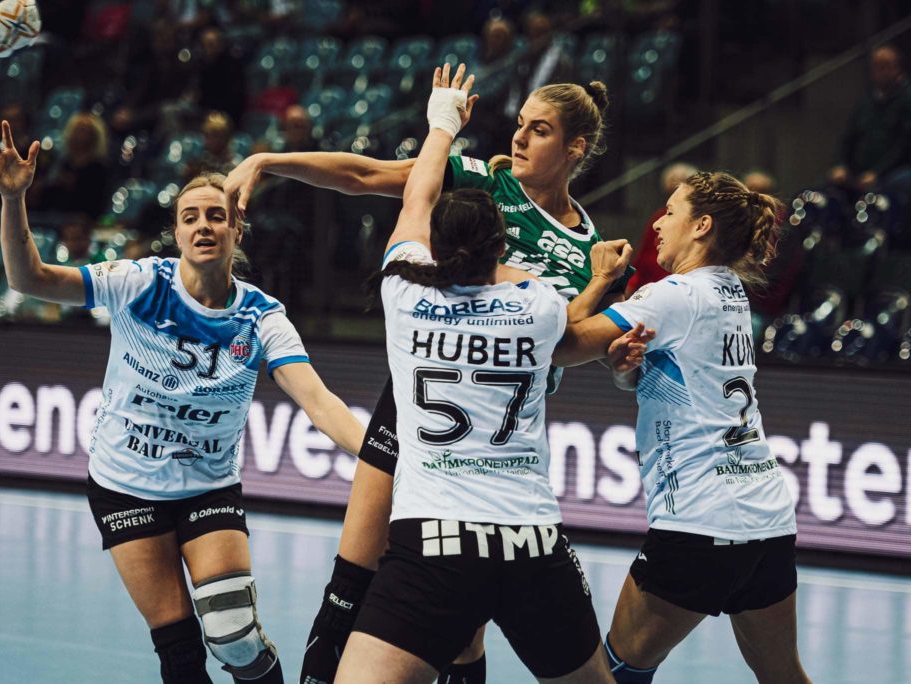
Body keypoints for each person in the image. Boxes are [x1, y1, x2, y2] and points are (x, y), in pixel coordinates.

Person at [225, 73, 634, 684]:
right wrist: (270, 161)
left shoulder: (591, 250)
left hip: (497, 438)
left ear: (575, 148)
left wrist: (622, 364)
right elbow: (366, 175)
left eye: (540, 130)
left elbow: (577, 348)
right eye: (519, 124)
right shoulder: (483, 181)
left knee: (464, 635)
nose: (519, 138)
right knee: (352, 584)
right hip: (416, 411)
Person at [0, 121, 366, 684]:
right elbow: (29, 278)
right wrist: (14, 200)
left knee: (236, 638)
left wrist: (385, 461)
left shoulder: (261, 317)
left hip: (207, 486)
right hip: (123, 485)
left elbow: (320, 403)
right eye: (191, 217)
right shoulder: (139, 282)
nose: (204, 225)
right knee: (180, 656)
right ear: (178, 233)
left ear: (237, 228)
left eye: (216, 216)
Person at [335, 62, 649, 684]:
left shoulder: (403, 291)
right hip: (529, 539)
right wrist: (604, 286)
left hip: (436, 539)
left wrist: (442, 122)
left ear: (432, 249)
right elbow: (572, 332)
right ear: (503, 248)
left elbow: (416, 196)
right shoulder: (538, 305)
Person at [598, 172, 810, 683]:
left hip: (699, 523)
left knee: (613, 672)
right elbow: (669, 374)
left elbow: (565, 344)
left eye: (671, 211)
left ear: (702, 226)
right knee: (784, 676)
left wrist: (598, 281)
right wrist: (624, 370)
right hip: (766, 520)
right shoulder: (729, 290)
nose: (658, 223)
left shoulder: (673, 295)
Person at [828, 44, 911, 197]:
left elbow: (903, 146)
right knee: (824, 193)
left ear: (897, 68)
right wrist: (839, 165)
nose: (881, 72)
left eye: (886, 66)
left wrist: (877, 173)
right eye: (877, 67)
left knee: (899, 184)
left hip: (894, 171)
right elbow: (848, 137)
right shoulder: (866, 101)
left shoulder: (906, 98)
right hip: (860, 172)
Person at [625, 162, 697, 296]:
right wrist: (632, 283)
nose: (657, 225)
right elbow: (643, 256)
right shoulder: (659, 217)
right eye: (672, 187)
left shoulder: (695, 221)